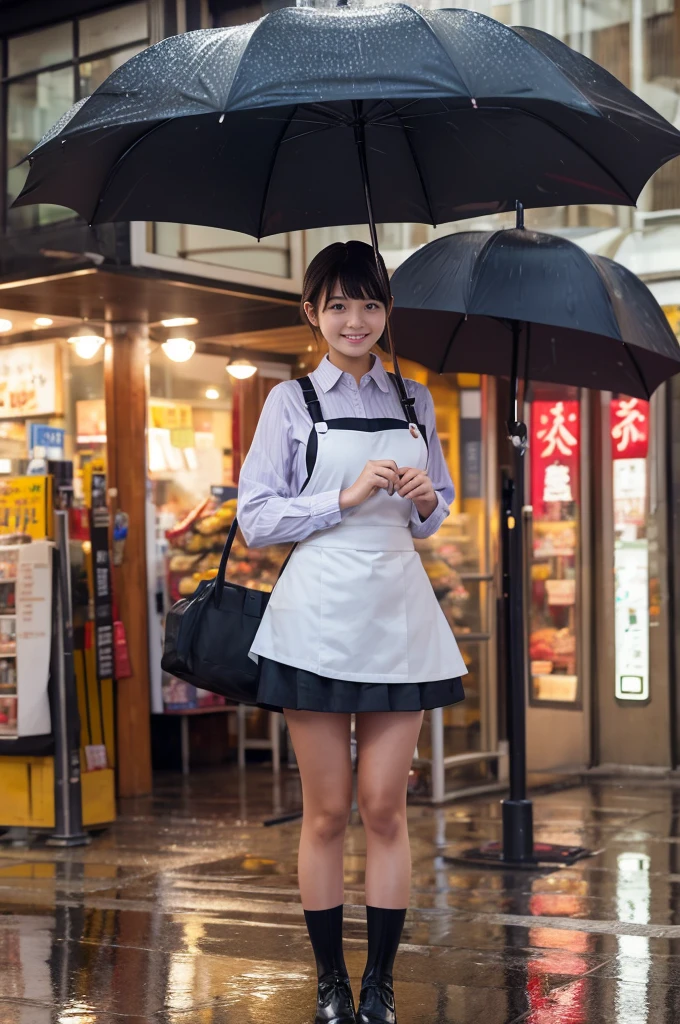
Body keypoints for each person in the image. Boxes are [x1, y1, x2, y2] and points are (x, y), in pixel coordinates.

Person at [237, 241, 467, 1024]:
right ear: (312, 314)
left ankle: (381, 984)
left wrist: (424, 495)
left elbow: (433, 520)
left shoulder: (416, 399)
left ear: (386, 311)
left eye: (369, 303)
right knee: (328, 810)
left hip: (397, 609)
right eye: (337, 304)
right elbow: (257, 518)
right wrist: (341, 496)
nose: (355, 319)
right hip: (318, 613)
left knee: (385, 808)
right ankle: (332, 981)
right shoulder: (289, 401)